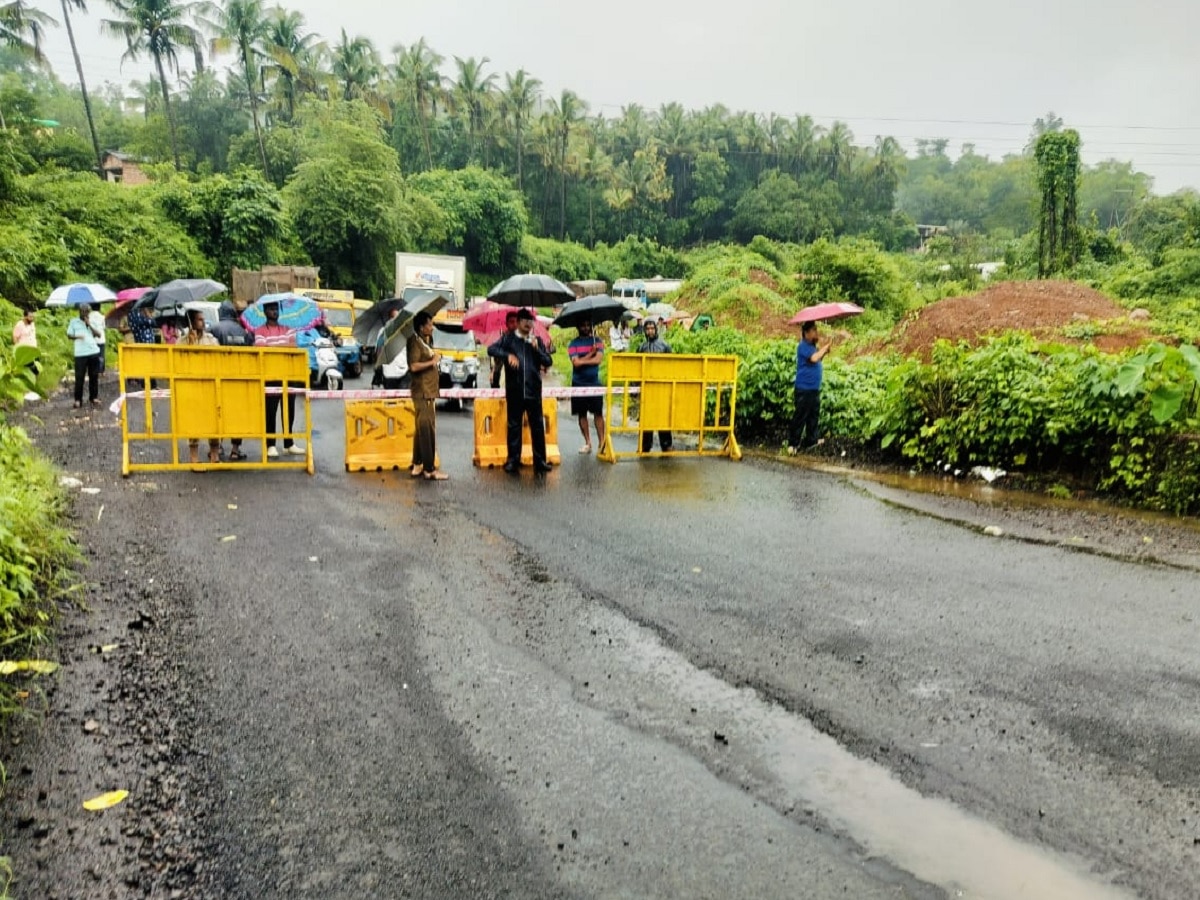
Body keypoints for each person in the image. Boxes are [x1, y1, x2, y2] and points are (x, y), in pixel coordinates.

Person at [487, 307, 554, 474]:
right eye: (525, 321)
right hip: (515, 390)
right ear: (517, 323)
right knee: (514, 427)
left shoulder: (536, 340)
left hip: (533, 391)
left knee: (537, 427)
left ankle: (540, 461)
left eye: (530, 321)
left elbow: (548, 361)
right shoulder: (508, 339)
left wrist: (537, 348)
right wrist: (507, 355)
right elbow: (491, 349)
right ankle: (513, 460)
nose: (528, 324)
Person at [250, 301, 305, 458]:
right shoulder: (259, 330)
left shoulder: (288, 329)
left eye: (276, 309)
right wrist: (281, 349)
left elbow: (292, 348)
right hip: (270, 376)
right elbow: (261, 350)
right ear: (265, 311)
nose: (275, 311)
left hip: (288, 375)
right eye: (271, 309)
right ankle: (271, 444)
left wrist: (276, 349)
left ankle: (289, 443)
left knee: (289, 410)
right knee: (271, 411)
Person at [406, 311, 448, 481]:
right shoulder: (414, 342)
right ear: (422, 327)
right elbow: (414, 366)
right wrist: (433, 361)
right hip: (422, 391)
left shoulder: (424, 341)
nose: (432, 327)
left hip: (429, 390)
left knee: (421, 427)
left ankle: (417, 463)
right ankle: (429, 469)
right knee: (427, 428)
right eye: (430, 325)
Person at [211, 301, 253, 461]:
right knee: (237, 415)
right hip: (238, 379)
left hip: (218, 378)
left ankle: (218, 447)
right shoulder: (244, 332)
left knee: (218, 413)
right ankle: (235, 450)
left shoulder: (214, 329)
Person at [182, 309, 222, 464]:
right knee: (194, 421)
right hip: (191, 385)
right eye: (199, 319)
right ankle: (194, 457)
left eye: (203, 319)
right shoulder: (182, 340)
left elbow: (218, 356)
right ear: (191, 322)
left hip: (210, 383)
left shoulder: (211, 339)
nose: (203, 322)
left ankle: (214, 454)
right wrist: (191, 345)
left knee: (213, 419)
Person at [789, 320, 832, 453]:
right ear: (806, 333)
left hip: (813, 388)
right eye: (813, 330)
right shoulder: (803, 346)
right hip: (804, 388)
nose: (816, 333)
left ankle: (811, 441)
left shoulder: (812, 347)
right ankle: (793, 444)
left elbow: (817, 359)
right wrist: (825, 348)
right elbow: (813, 359)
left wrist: (824, 352)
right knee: (800, 416)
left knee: (813, 415)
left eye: (816, 330)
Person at [568, 320, 606, 454]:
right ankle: (588, 443)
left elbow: (598, 360)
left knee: (598, 414)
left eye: (587, 325)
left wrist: (582, 360)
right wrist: (590, 354)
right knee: (581, 414)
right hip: (578, 383)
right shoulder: (573, 344)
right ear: (578, 327)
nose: (585, 327)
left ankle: (602, 444)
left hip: (594, 382)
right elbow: (576, 364)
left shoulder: (598, 341)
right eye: (582, 325)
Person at [639, 318, 673, 453]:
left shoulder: (664, 346)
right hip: (646, 388)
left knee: (663, 417)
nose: (650, 331)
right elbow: (637, 367)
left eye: (652, 328)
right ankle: (645, 446)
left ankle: (666, 444)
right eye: (647, 329)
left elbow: (671, 366)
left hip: (662, 387)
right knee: (646, 417)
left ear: (656, 329)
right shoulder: (641, 347)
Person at [67, 303, 103, 408]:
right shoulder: (74, 322)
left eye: (87, 311)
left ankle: (93, 397)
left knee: (94, 376)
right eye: (83, 311)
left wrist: (89, 324)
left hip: (93, 351)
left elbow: (99, 334)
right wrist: (77, 336)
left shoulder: (92, 321)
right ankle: (78, 400)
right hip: (80, 353)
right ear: (79, 312)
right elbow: (69, 335)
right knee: (79, 377)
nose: (85, 313)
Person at [490, 309, 519, 388]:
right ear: (506, 324)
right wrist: (508, 355)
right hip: (501, 378)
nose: (515, 324)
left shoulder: (524, 341)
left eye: (517, 322)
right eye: (511, 322)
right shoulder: (503, 339)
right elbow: (491, 350)